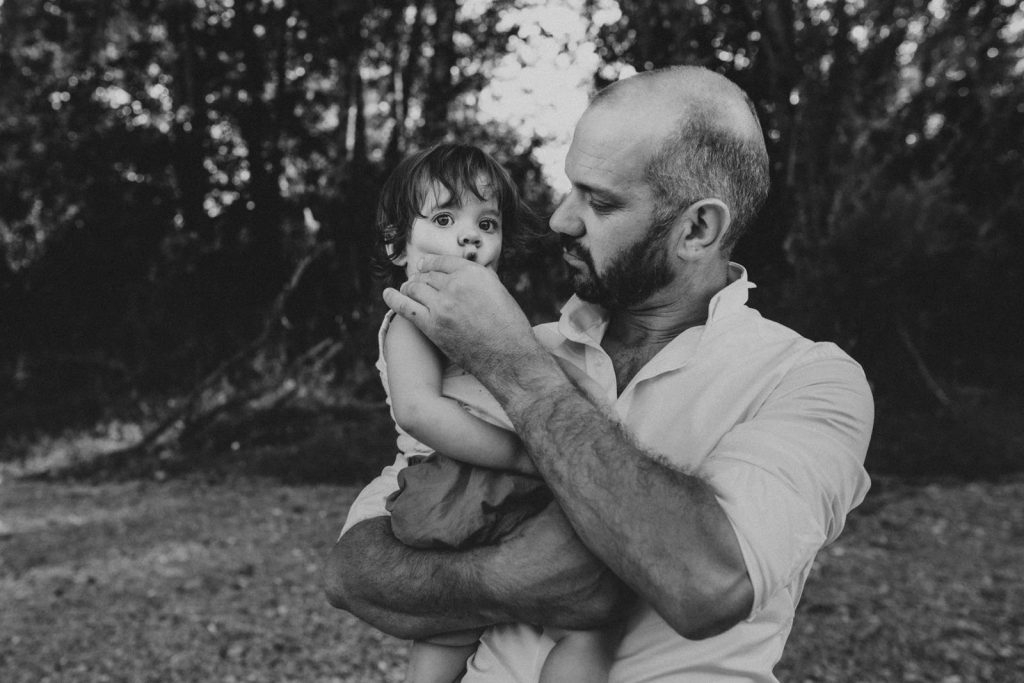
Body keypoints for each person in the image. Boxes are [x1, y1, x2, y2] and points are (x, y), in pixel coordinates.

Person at [324, 66, 874, 682]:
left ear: (697, 228)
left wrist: (520, 374)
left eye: (600, 201)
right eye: (570, 189)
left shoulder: (806, 379)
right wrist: (515, 578)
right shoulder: (522, 350)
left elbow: (707, 584)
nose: (560, 219)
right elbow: (353, 572)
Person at [367, 142, 619, 683]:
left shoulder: (495, 317)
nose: (470, 236)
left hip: (489, 485)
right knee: (564, 614)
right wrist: (523, 455)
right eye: (443, 217)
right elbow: (418, 411)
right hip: (455, 483)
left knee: (567, 620)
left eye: (487, 222)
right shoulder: (412, 318)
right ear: (396, 244)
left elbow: (529, 373)